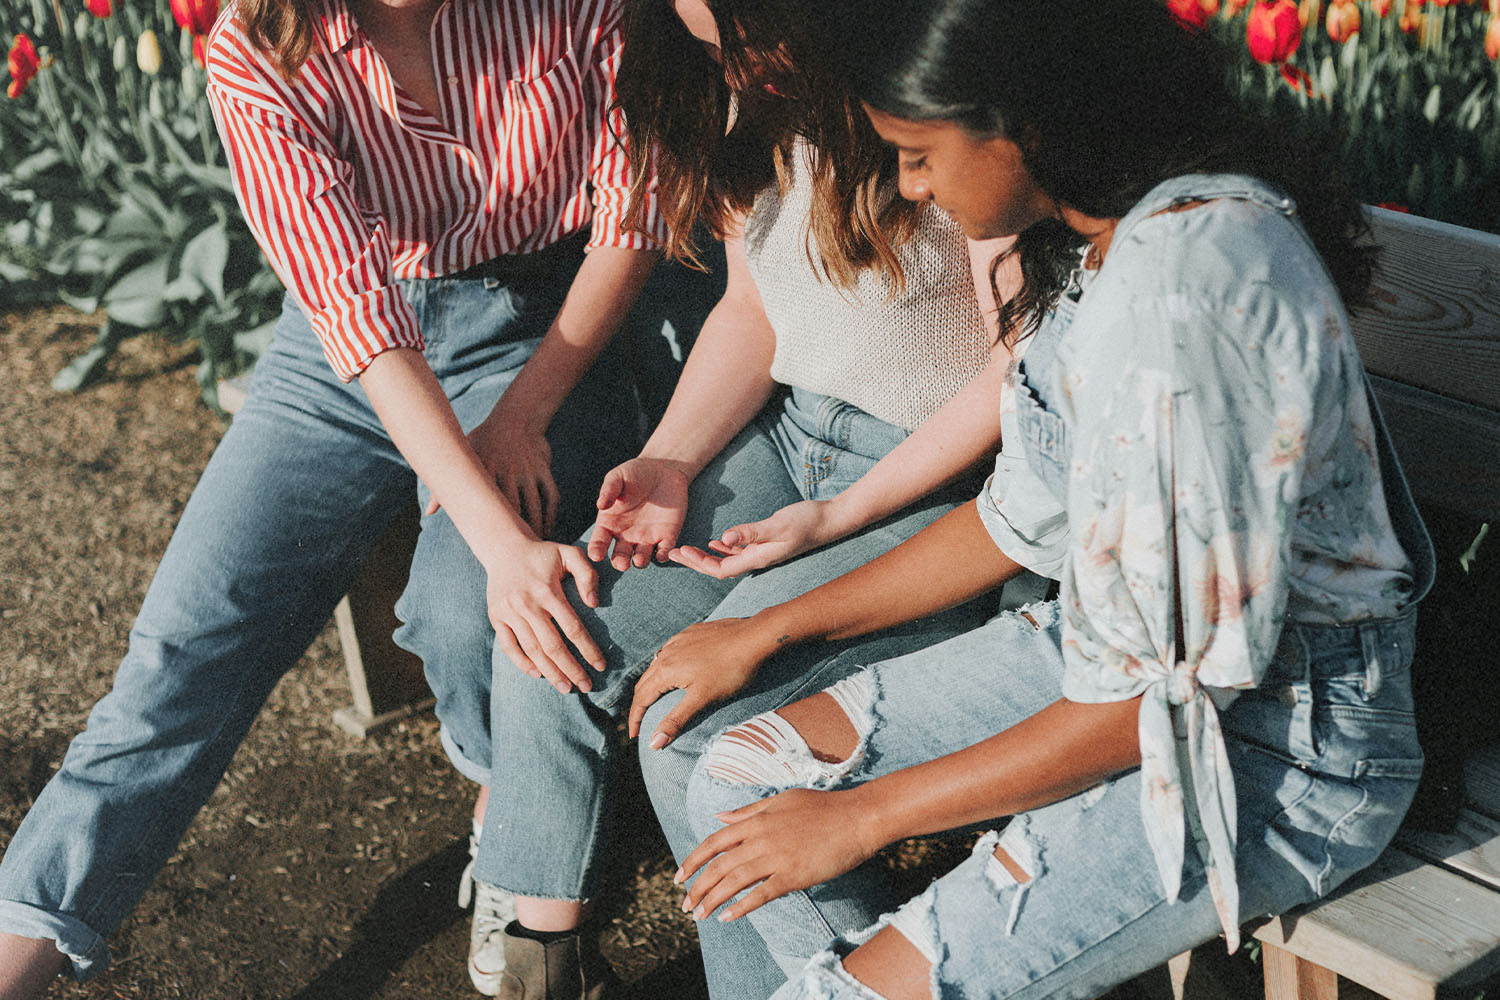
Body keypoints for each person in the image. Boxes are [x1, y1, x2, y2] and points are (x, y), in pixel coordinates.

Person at [663, 0, 1438, 997]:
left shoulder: (1182, 301)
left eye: (918, 150)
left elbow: (1142, 712)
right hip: (1104, 656)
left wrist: (866, 815)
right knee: (737, 774)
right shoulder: (1091, 233)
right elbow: (1011, 522)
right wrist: (769, 628)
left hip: (1273, 753)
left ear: (1029, 117)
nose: (909, 183)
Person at [0, 0, 673, 993]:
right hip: (342, 352)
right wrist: (499, 534)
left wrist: (523, 419)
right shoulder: (254, 50)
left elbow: (636, 210)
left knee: (468, 609)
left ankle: (510, 811)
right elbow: (357, 318)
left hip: (539, 333)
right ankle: (23, 944)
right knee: (186, 647)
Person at [391, 0, 1044, 995]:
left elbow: (1014, 371)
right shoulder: (746, 107)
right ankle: (541, 962)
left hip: (929, 483)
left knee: (690, 726)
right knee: (554, 631)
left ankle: (832, 976)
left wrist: (844, 513)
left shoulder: (927, 111)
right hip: (787, 444)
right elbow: (754, 311)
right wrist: (671, 461)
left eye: (747, 33)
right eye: (704, 43)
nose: (738, 64)